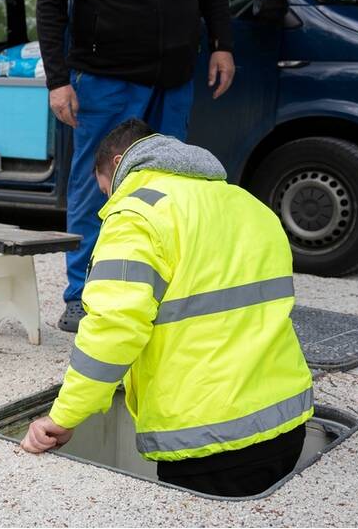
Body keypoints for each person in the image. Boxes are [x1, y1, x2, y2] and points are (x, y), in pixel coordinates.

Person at [20, 118, 313, 498]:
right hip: (287, 423)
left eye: (107, 188)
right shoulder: (250, 206)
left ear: (120, 161)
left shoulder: (138, 214)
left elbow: (113, 329)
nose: (110, 200)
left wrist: (64, 417)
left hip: (210, 441)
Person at [35, 0, 236, 332]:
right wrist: (58, 79)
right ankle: (80, 294)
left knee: (173, 181)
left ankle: (161, 285)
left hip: (173, 74)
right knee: (92, 184)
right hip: (104, 78)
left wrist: (222, 44)